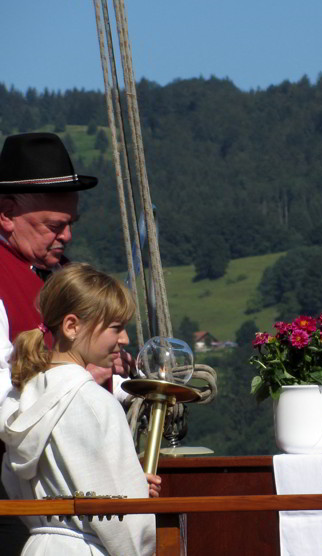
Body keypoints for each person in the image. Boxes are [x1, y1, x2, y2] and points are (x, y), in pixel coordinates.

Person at [0, 264, 157, 555]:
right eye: (116, 327)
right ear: (72, 326)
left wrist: (131, 484)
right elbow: (115, 514)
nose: (123, 339)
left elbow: (13, 481)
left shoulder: (21, 398)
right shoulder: (93, 402)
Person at [0, 132, 101, 555]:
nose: (66, 238)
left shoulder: (61, 277)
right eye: (53, 227)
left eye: (69, 225)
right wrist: (76, 380)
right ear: (6, 214)